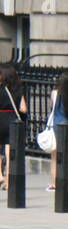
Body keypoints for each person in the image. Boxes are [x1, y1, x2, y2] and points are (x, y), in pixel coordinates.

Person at [0, 63, 27, 191]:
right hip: (12, 120)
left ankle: (0, 175)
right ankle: (10, 180)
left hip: (0, 118)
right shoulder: (18, 90)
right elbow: (24, 109)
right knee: (10, 151)